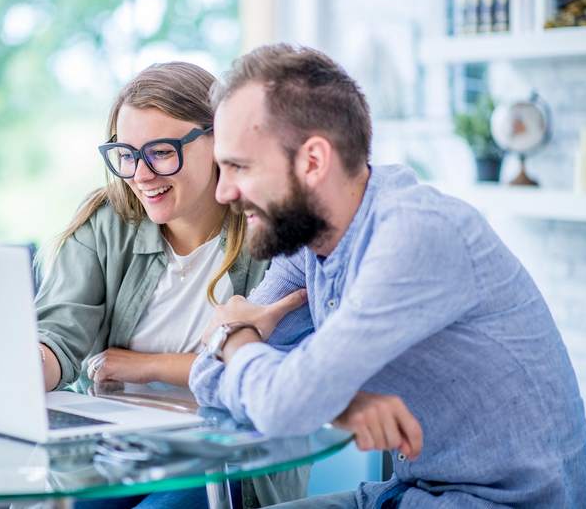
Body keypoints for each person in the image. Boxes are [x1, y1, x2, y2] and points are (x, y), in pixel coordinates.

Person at [189, 43, 586, 508]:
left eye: (239, 166)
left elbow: (281, 401)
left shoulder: (413, 235)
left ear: (313, 162)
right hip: (406, 493)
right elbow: (208, 377)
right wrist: (339, 403)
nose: (222, 192)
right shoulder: (309, 241)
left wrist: (236, 340)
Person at [35, 61, 422, 509]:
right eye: (126, 154)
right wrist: (23, 368)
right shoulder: (107, 223)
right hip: (122, 448)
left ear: (217, 139)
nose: (140, 174)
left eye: (161, 152)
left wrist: (144, 365)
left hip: (231, 456)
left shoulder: (272, 229)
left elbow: (275, 371)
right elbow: (60, 338)